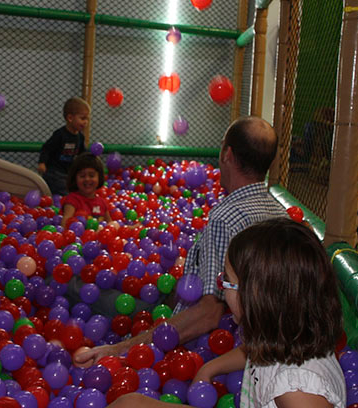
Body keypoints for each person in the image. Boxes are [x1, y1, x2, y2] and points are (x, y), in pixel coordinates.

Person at [74, 116, 288, 366]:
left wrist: (120, 349)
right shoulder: (280, 214)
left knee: (81, 289)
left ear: (227, 154)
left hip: (193, 343)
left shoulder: (226, 219)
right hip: (200, 320)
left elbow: (209, 312)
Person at [109, 218, 346, 408]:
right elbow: (257, 350)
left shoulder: (296, 388)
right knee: (130, 402)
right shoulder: (288, 331)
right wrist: (208, 369)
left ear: (257, 298)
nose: (220, 285)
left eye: (228, 282)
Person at [38, 97, 89, 196]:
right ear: (70, 118)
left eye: (87, 118)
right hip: (54, 172)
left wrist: (90, 161)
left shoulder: (80, 137)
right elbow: (46, 148)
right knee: (64, 192)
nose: (86, 122)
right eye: (83, 118)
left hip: (68, 172)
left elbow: (83, 153)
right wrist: (42, 162)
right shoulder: (60, 135)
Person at [60, 152, 112, 229]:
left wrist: (131, 228)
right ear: (75, 178)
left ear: (99, 177)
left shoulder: (102, 203)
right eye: (82, 176)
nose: (87, 179)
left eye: (91, 175)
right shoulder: (72, 200)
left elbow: (112, 225)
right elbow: (65, 224)